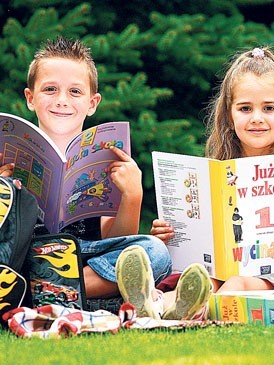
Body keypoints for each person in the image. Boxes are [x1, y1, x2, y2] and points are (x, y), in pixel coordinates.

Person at [148, 46, 274, 297]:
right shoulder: (214, 175)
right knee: (198, 283)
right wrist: (169, 235)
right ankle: (165, 308)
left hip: (270, 273)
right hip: (216, 269)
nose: (257, 118)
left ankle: (187, 311)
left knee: (236, 284)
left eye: (269, 108)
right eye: (245, 109)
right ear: (229, 116)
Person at [18, 36, 173, 301]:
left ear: (92, 103)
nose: (62, 100)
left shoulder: (105, 156)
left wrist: (132, 195)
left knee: (154, 252)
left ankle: (49, 295)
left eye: (75, 91)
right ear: (31, 98)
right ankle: (72, 296)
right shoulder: (12, 152)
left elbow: (116, 237)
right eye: (50, 89)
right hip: (29, 256)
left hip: (84, 256)